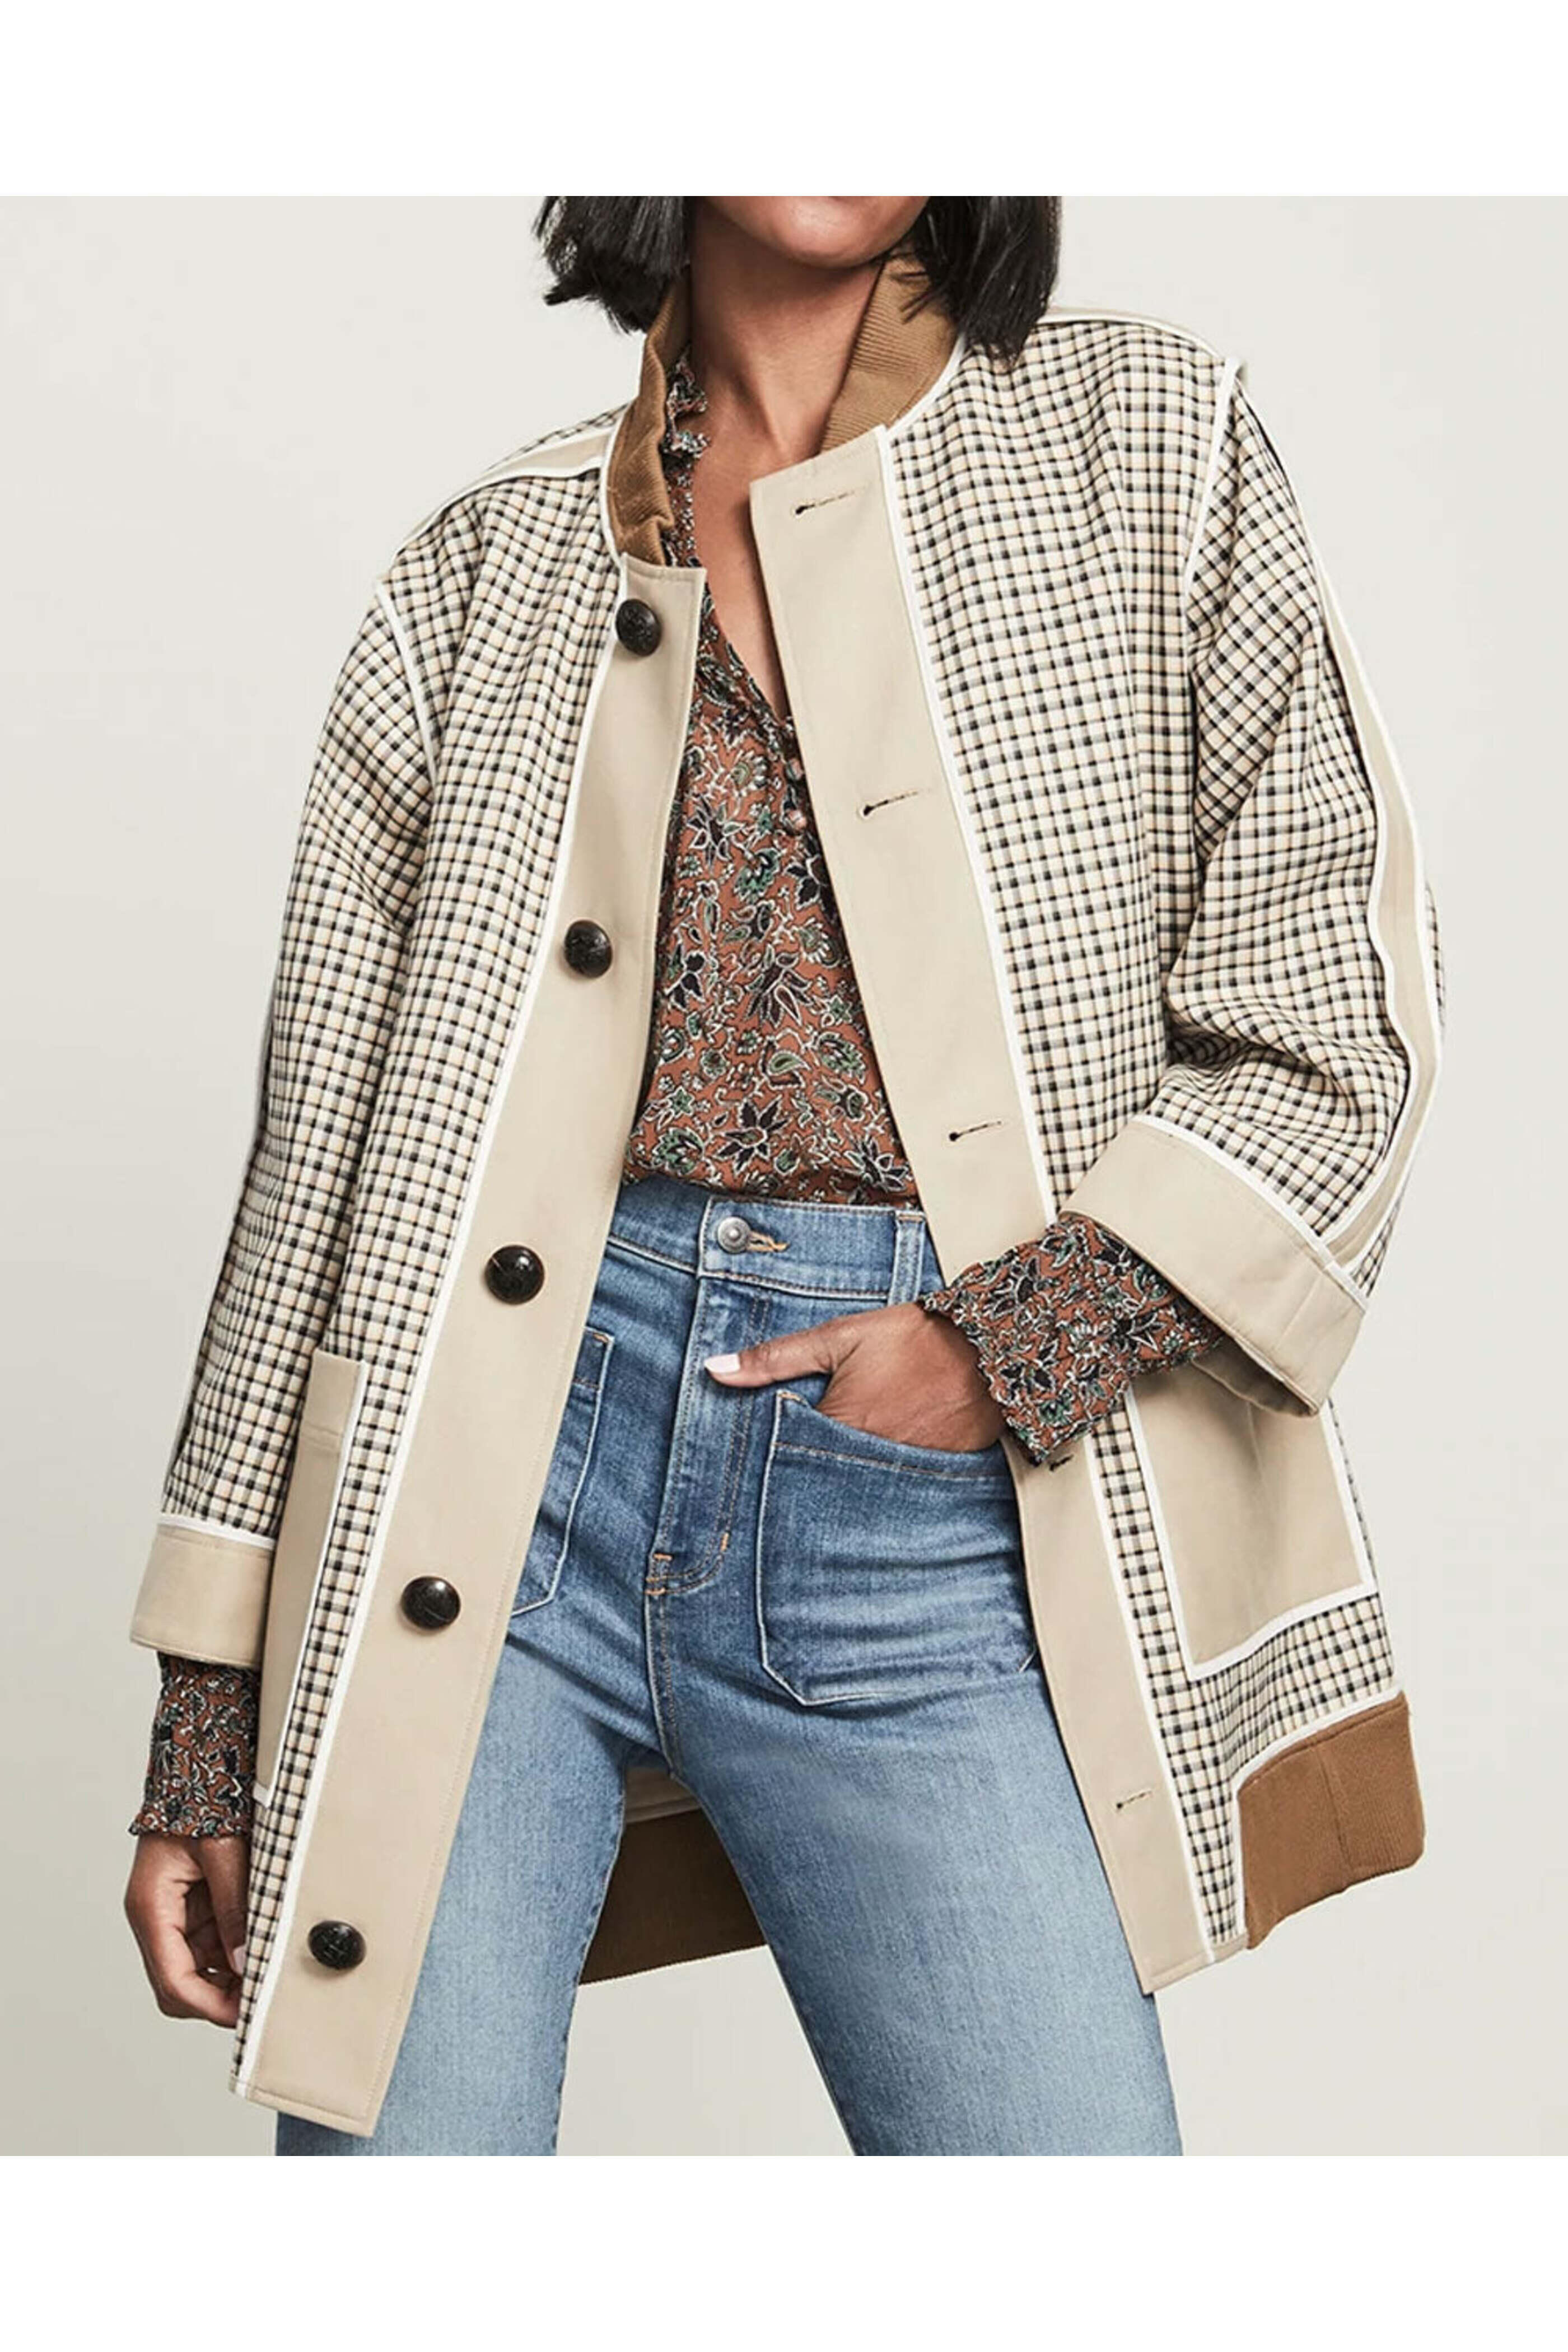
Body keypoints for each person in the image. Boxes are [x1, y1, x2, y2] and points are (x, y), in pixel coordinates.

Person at [123, 197, 1443, 2155]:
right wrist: (210, 1719)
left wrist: (996, 1350)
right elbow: (315, 1161)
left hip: (917, 1512)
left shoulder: (1154, 439)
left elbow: (1339, 1017)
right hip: (485, 1488)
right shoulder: (479, 566)